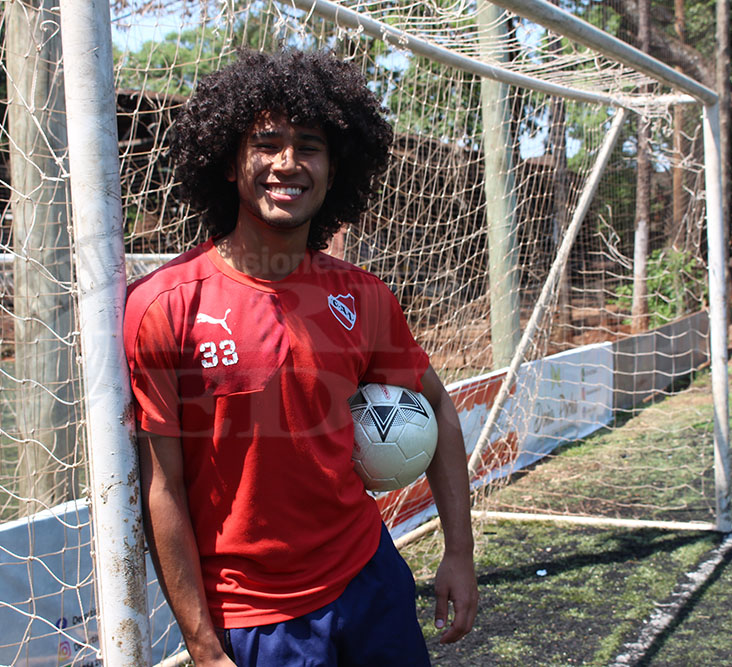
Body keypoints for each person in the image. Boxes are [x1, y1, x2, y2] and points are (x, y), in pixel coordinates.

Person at [123, 49, 478, 667]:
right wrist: (202, 645)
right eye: (266, 144)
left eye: (309, 147)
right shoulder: (163, 305)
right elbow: (162, 486)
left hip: (369, 577)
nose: (287, 163)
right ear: (228, 163)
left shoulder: (362, 296)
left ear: (334, 171)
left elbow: (440, 409)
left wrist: (459, 553)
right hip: (257, 617)